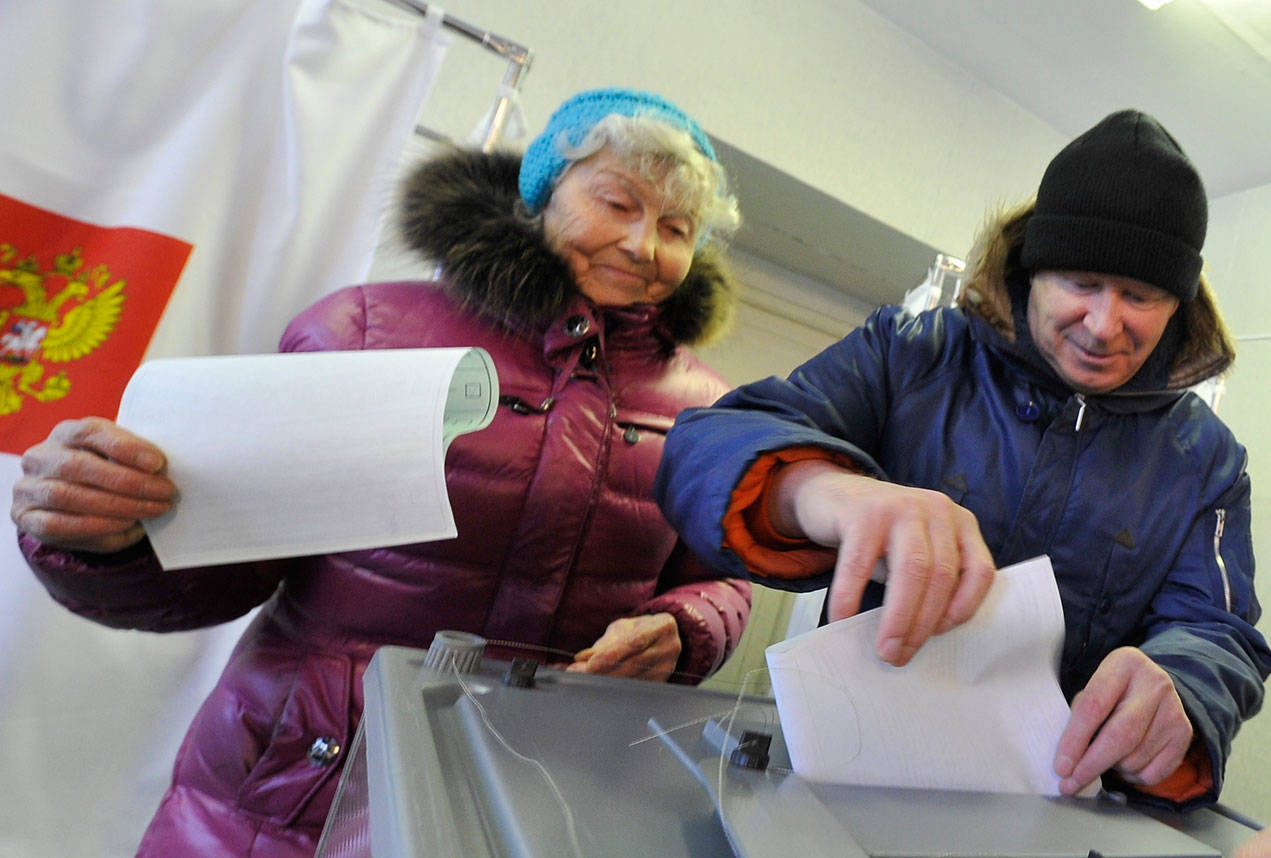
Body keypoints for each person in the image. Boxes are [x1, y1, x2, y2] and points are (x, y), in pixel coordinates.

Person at [12, 87, 752, 857]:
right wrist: (111, 535)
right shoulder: (366, 330)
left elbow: (721, 576)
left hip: (531, 792)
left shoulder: (707, 407)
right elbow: (229, 566)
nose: (643, 245)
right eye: (617, 203)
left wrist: (684, 628)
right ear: (541, 194)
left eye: (677, 228)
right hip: (296, 781)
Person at [655, 109, 1271, 809]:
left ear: (1178, 305)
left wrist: (1182, 692)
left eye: (1141, 296)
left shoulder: (1207, 459)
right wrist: (818, 490)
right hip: (840, 773)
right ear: (1031, 271)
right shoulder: (912, 353)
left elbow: (1218, 630)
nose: (1105, 325)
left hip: (1052, 806)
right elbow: (704, 449)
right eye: (1079, 282)